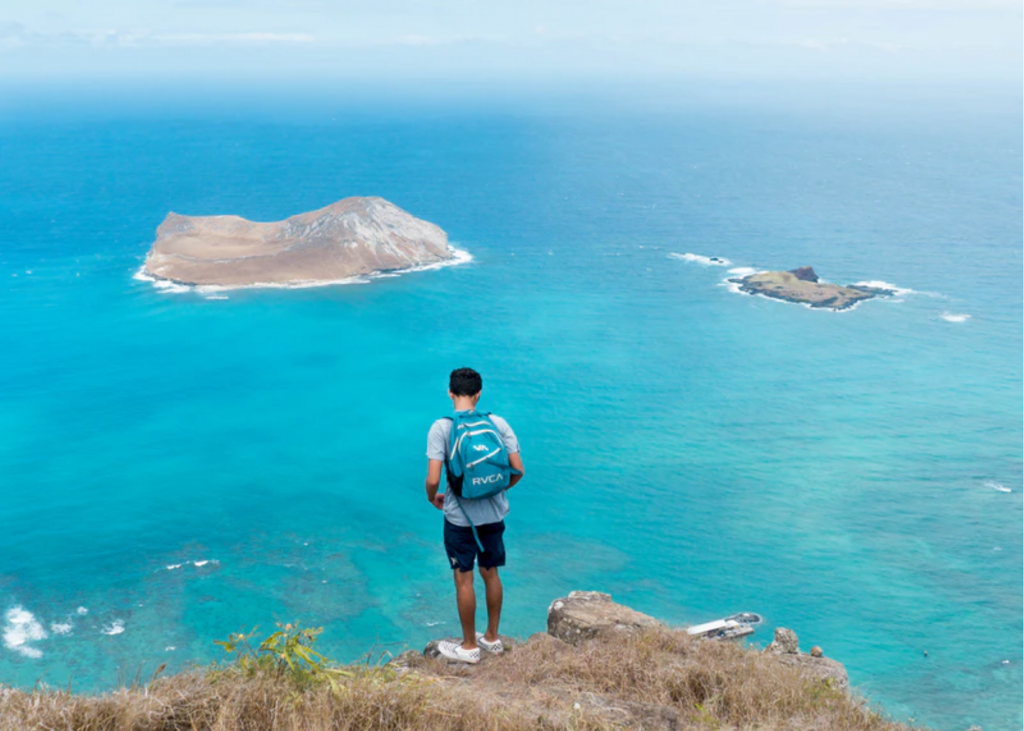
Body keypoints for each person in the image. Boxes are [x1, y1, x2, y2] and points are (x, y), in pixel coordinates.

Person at [425, 367, 525, 664]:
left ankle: (469, 646)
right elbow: (518, 470)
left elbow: (432, 479)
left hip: (459, 519)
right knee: (491, 572)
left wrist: (433, 498)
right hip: (494, 514)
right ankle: (492, 638)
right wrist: (493, 490)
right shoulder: (498, 423)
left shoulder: (441, 428)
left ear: (450, 393)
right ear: (479, 394)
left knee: (463, 579)